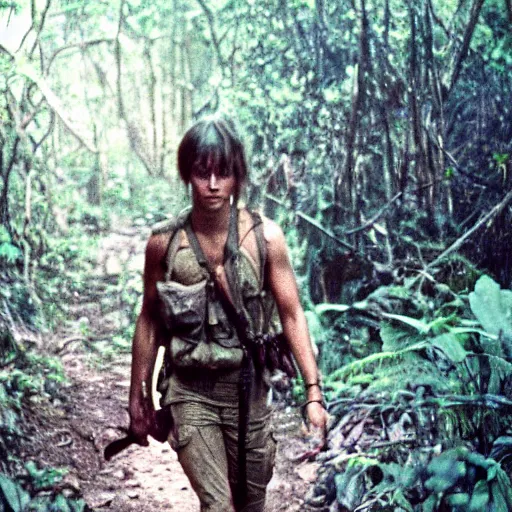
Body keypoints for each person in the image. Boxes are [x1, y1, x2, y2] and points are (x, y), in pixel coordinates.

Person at [128, 115, 328, 512]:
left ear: (237, 176)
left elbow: (292, 315)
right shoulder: (164, 243)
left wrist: (313, 392)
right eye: (203, 174)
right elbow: (149, 319)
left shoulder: (265, 239)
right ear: (188, 175)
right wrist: (138, 395)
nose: (214, 185)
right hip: (189, 391)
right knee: (217, 505)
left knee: (251, 504)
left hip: (249, 391)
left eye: (223, 173)